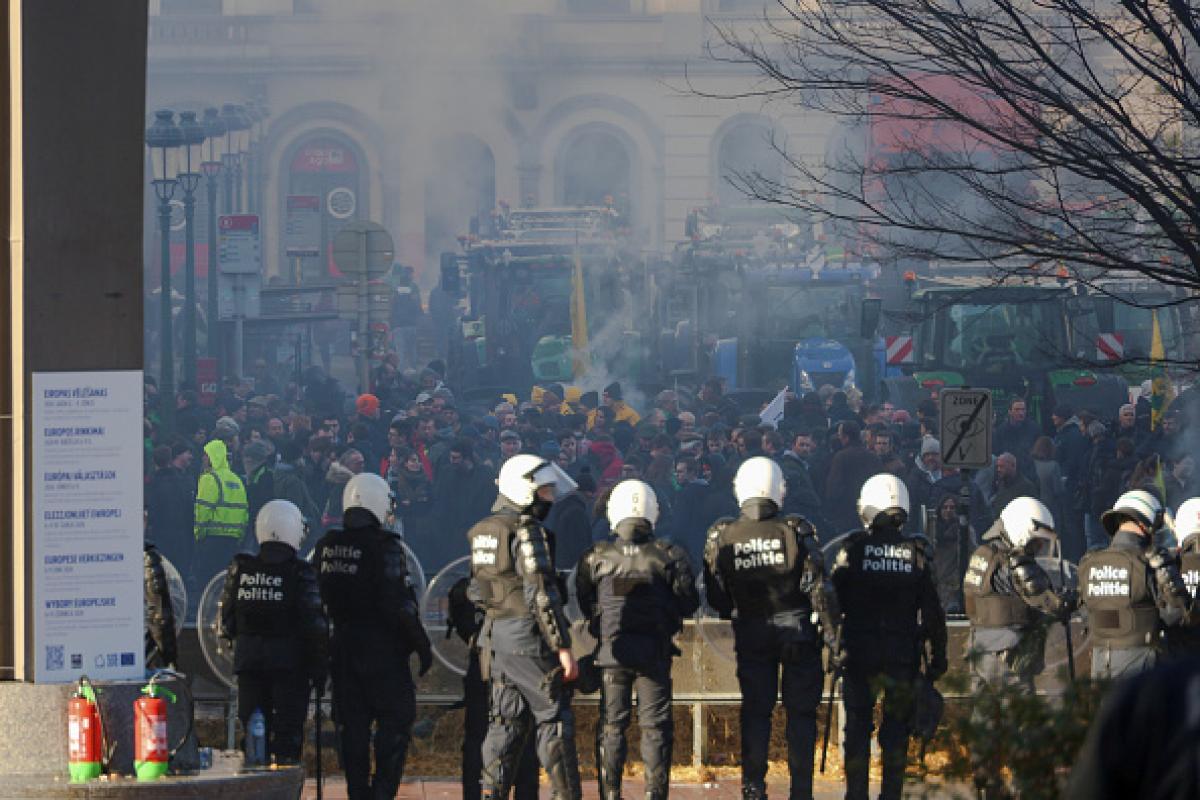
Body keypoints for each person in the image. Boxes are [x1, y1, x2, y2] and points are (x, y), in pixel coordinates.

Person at [703, 457, 840, 800]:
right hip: (797, 632)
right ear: (780, 488)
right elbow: (818, 588)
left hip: (752, 632)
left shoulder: (722, 534)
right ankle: (801, 791)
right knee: (801, 717)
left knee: (755, 713)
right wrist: (834, 637)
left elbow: (716, 596)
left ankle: (753, 788)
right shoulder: (796, 529)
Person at [576, 480, 700, 800]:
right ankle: (654, 794)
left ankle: (610, 793)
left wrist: (600, 622)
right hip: (653, 653)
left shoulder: (597, 556)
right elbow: (689, 601)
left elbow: (584, 598)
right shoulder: (668, 555)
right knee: (656, 727)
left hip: (611, 653)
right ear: (653, 512)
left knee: (611, 726)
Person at [468, 454, 582, 800]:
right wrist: (563, 648)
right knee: (554, 719)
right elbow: (542, 594)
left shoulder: (483, 530)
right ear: (525, 490)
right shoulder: (527, 531)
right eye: (544, 491)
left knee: (504, 723)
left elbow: (476, 590)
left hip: (496, 637)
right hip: (528, 637)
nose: (549, 499)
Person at [315, 473, 433, 799]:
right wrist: (422, 646)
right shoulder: (385, 547)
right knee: (395, 723)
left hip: (341, 649)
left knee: (351, 728)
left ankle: (357, 792)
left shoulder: (326, 546)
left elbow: (316, 601)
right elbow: (399, 605)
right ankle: (381, 793)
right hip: (382, 652)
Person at [832, 474, 947, 800]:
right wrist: (939, 659)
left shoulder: (853, 549)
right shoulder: (917, 552)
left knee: (857, 726)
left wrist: (831, 643)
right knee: (896, 730)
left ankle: (856, 794)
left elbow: (831, 598)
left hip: (860, 651)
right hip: (902, 654)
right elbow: (934, 613)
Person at [219, 500, 327, 766]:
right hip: (290, 669)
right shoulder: (300, 572)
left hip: (249, 666)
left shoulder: (241, 568)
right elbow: (315, 627)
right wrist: (320, 670)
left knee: (255, 741)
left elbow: (227, 619)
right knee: (288, 744)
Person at [1079, 490, 1191, 678]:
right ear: (1144, 523)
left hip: (1099, 665)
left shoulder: (1089, 563)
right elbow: (1177, 615)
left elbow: (1084, 613)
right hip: (1143, 665)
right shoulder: (1151, 562)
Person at [446, 578, 539, 800]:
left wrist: (475, 638)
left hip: (486, 664)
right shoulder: (523, 584)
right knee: (521, 736)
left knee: (485, 738)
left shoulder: (471, 587)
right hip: (516, 662)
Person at [193, 439, 249, 589]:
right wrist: (240, 536)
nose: (203, 458)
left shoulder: (209, 478)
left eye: (206, 455)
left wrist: (198, 533)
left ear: (213, 457)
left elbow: (203, 509)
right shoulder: (236, 479)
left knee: (207, 583)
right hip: (232, 540)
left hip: (212, 538)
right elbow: (244, 511)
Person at [144, 540, 178, 669]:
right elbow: (161, 616)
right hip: (141, 650)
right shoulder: (148, 558)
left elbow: (160, 615)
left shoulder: (148, 558)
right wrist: (170, 659)